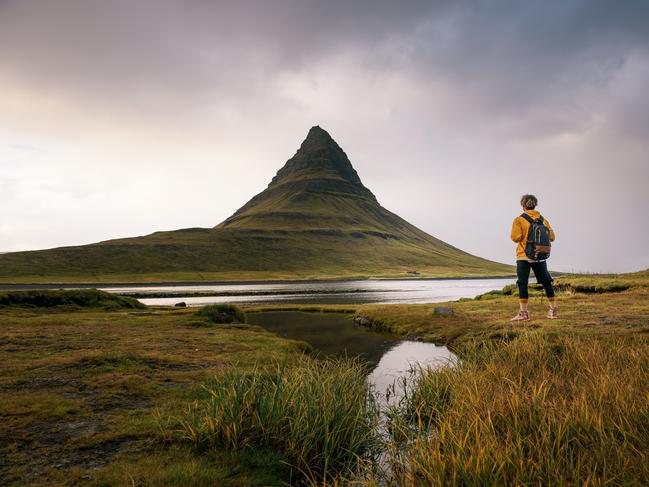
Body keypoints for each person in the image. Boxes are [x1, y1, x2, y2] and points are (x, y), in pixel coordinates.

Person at [510, 194, 558, 321]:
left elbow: (515, 238)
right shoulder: (544, 220)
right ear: (535, 205)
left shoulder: (519, 220)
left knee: (523, 284)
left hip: (523, 256)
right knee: (547, 282)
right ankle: (553, 311)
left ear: (523, 205)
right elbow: (552, 237)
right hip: (540, 256)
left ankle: (523, 314)